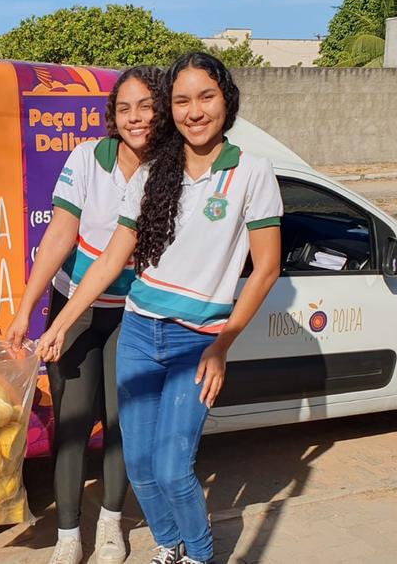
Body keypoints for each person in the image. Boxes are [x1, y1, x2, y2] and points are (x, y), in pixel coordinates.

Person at [37, 52, 283, 564]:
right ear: (170, 110)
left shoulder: (252, 174)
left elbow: (266, 270)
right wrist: (60, 321)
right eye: (182, 100)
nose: (195, 110)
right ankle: (169, 546)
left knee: (173, 468)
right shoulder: (153, 174)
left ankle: (198, 552)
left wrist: (223, 344)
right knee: (142, 467)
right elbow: (109, 261)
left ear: (227, 100)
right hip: (140, 334)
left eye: (206, 97)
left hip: (197, 342)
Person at [5, 66, 164, 564]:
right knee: (72, 422)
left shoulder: (172, 169)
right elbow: (59, 234)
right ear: (112, 116)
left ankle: (112, 524)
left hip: (133, 312)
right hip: (74, 307)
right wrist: (26, 308)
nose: (135, 117)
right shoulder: (87, 159)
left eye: (145, 106)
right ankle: (69, 535)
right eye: (124, 107)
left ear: (161, 110)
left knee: (122, 423)